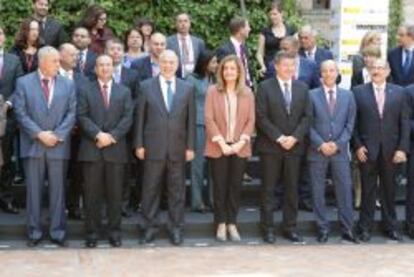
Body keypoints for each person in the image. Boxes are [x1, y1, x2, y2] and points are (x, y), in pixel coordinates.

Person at [14, 46, 77, 247]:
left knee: (58, 192)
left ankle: (57, 233)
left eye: (59, 61)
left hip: (58, 146)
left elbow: (71, 113)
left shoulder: (68, 84)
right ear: (42, 62)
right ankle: (34, 233)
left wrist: (57, 135)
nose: (59, 64)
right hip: (33, 146)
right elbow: (20, 112)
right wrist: (39, 134)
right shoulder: (23, 83)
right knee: (33, 192)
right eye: (55, 61)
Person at [134, 50, 195, 246]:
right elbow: (140, 119)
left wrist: (191, 146)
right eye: (164, 62)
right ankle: (148, 228)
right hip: (153, 147)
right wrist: (139, 144)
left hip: (178, 148)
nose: (168, 65)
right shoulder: (145, 87)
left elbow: (191, 121)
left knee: (177, 191)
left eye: (171, 62)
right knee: (150, 189)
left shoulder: (187, 88)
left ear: (177, 65)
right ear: (158, 64)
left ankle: (176, 228)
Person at [77, 54, 134, 248]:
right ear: (95, 69)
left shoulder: (124, 91)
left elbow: (128, 118)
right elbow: (82, 116)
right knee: (91, 196)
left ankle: (114, 233)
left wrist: (111, 137)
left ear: (113, 68)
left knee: (115, 196)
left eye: (108, 65)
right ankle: (91, 234)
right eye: (101, 65)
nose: (104, 68)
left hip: (115, 150)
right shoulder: (85, 90)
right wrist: (98, 135)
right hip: (92, 150)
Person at [256, 51, 311, 244]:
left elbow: (307, 117)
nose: (289, 69)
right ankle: (268, 228)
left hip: (294, 148)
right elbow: (261, 117)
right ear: (276, 66)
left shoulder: (302, 88)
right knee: (269, 190)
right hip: (271, 147)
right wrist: (279, 137)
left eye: (292, 65)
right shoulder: (264, 87)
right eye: (285, 65)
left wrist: (294, 137)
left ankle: (290, 227)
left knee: (291, 189)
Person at [353, 59, 410, 242]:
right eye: (373, 68)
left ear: (387, 71)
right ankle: (364, 228)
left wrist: (402, 149)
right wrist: (357, 146)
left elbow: (404, 123)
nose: (376, 71)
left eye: (380, 68)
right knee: (367, 192)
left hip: (391, 151)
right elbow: (353, 124)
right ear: (369, 71)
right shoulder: (358, 92)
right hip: (367, 151)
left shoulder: (400, 93)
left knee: (389, 191)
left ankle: (391, 227)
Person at [205, 55, 255, 242]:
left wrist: (241, 142)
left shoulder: (247, 93)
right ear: (221, 71)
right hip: (219, 146)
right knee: (219, 187)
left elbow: (251, 120)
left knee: (235, 187)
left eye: (233, 69)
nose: (229, 72)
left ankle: (232, 223)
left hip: (239, 147)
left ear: (239, 71)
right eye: (226, 69)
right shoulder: (213, 91)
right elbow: (209, 119)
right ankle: (220, 223)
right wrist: (222, 144)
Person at [308, 60, 358, 243]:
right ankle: (322, 229)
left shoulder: (348, 96)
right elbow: (308, 124)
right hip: (317, 151)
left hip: (340, 151)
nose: (328, 74)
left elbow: (350, 125)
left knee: (344, 190)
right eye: (325, 71)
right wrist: (321, 144)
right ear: (320, 74)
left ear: (337, 73)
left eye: (332, 70)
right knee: (317, 191)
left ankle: (348, 228)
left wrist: (338, 144)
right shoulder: (311, 95)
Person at [105, 37, 140, 217]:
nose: (116, 52)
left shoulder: (132, 74)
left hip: (126, 129)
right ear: (106, 52)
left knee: (125, 169)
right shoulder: (98, 72)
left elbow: (136, 99)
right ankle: (106, 205)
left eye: (119, 49)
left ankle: (123, 205)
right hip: (104, 129)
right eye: (112, 49)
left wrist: (123, 114)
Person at [58, 43, 89, 220]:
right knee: (58, 173)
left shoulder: (82, 79)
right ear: (61, 56)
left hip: (78, 134)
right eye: (72, 55)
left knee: (78, 173)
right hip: (56, 134)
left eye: (77, 55)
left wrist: (76, 124)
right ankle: (57, 208)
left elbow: (84, 105)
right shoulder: (52, 77)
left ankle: (74, 206)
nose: (76, 58)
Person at [186, 50, 217, 213]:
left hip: (216, 127)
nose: (216, 65)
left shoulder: (215, 78)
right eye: (213, 62)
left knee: (214, 165)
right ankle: (197, 202)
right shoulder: (191, 79)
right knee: (197, 166)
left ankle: (212, 199)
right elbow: (186, 103)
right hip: (198, 125)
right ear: (204, 63)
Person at [0, 25, 23, 214]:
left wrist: (8, 103)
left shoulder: (13, 60)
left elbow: (19, 86)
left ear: (3, 37)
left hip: (6, 118)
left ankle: (6, 198)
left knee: (6, 160)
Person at [256, 2, 296, 79]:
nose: (272, 17)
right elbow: (259, 53)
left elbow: (296, 51)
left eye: (275, 14)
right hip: (270, 68)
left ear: (282, 13)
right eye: (270, 14)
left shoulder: (291, 30)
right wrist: (263, 66)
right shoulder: (265, 31)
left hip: (287, 67)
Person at [217, 16, 253, 87]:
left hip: (248, 88)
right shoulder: (224, 49)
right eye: (247, 27)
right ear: (241, 30)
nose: (249, 29)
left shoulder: (244, 47)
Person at [167, 13, 206, 79]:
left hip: (195, 79)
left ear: (190, 24)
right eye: (180, 21)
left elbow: (203, 62)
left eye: (185, 21)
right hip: (176, 78)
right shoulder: (168, 42)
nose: (183, 24)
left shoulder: (199, 42)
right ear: (176, 24)